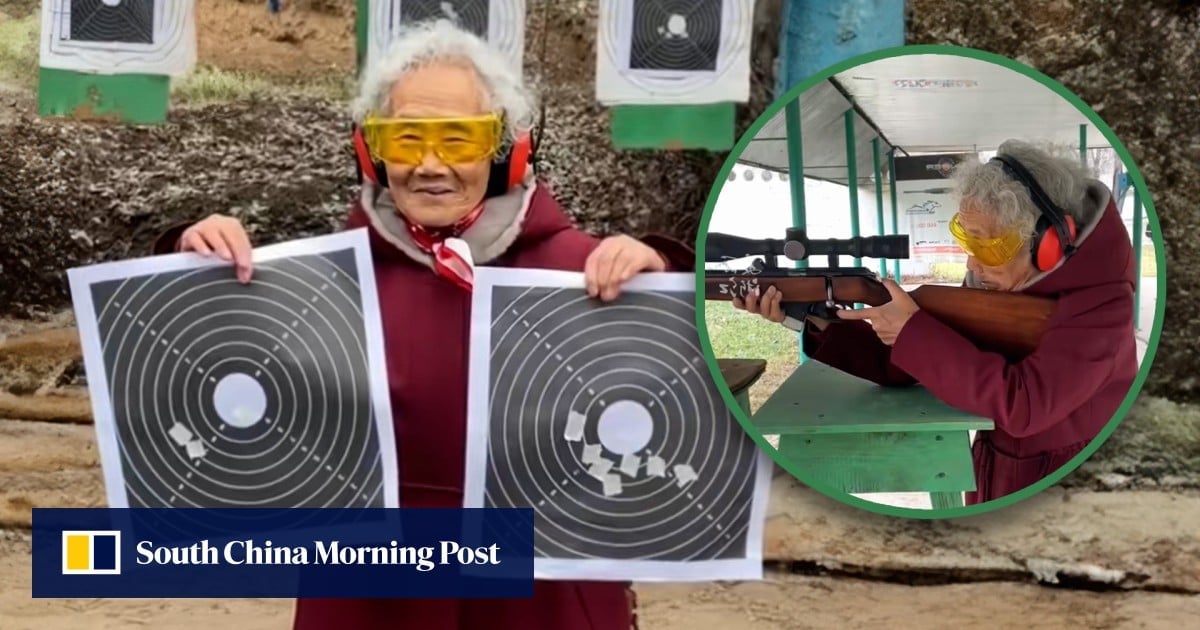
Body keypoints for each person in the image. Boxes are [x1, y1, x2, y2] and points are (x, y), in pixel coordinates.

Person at [152, 19, 693, 629]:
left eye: (458, 139)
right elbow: (195, 368)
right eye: (407, 140)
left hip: (540, 590)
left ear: (503, 149)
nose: (430, 165)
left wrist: (665, 273)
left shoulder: (584, 271)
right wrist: (193, 257)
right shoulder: (318, 282)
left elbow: (725, 362)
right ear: (371, 151)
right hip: (372, 583)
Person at [735, 140, 1137, 505]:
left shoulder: (1106, 304)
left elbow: (1025, 405)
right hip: (1001, 471)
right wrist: (809, 317)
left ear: (1051, 241)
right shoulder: (1007, 286)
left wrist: (913, 332)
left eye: (988, 246)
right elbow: (906, 363)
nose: (972, 264)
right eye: (968, 242)